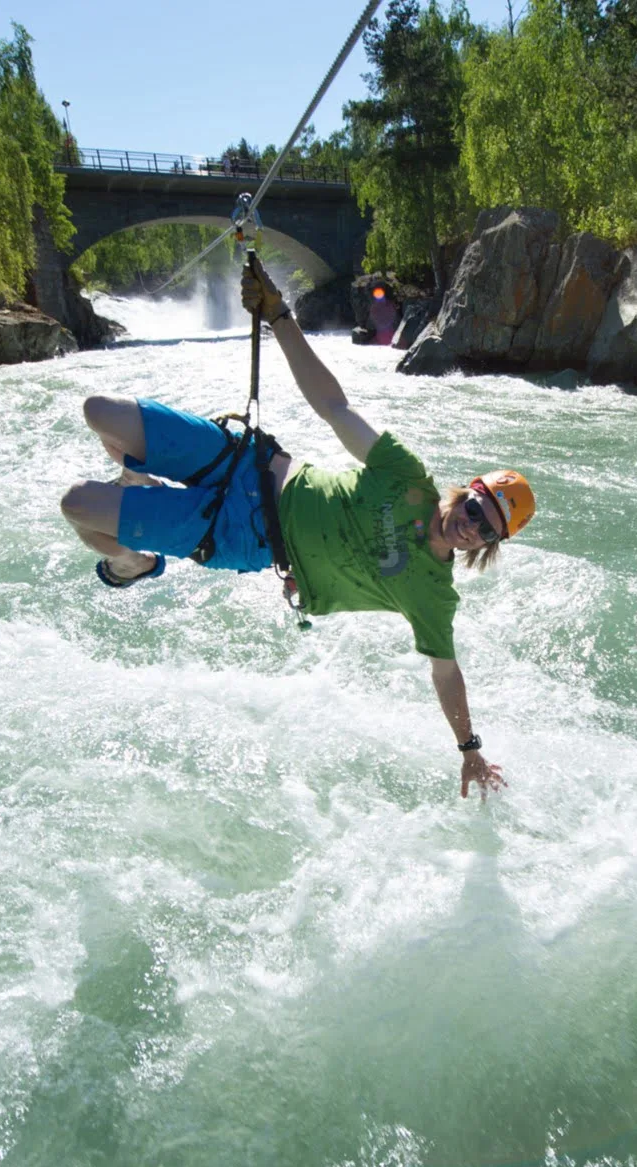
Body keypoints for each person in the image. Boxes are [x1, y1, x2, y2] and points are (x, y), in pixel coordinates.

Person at [61, 259, 536, 799]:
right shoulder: (407, 477)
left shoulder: (432, 594)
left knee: (76, 504)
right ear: (466, 492)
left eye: (488, 531)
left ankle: (135, 563)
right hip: (248, 464)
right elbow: (334, 406)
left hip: (245, 536)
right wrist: (278, 315)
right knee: (99, 411)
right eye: (476, 508)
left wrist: (469, 749)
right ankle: (138, 482)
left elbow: (446, 673)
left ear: (491, 547)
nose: (471, 527)